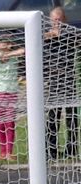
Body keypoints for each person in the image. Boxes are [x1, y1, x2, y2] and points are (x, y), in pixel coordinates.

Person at [44, 7, 78, 160]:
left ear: (64, 20)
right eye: (54, 19)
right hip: (53, 81)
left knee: (71, 117)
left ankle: (71, 149)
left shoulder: (71, 34)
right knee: (53, 116)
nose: (56, 22)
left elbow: (74, 38)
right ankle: (51, 150)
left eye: (59, 19)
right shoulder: (45, 36)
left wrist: (59, 34)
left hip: (69, 79)